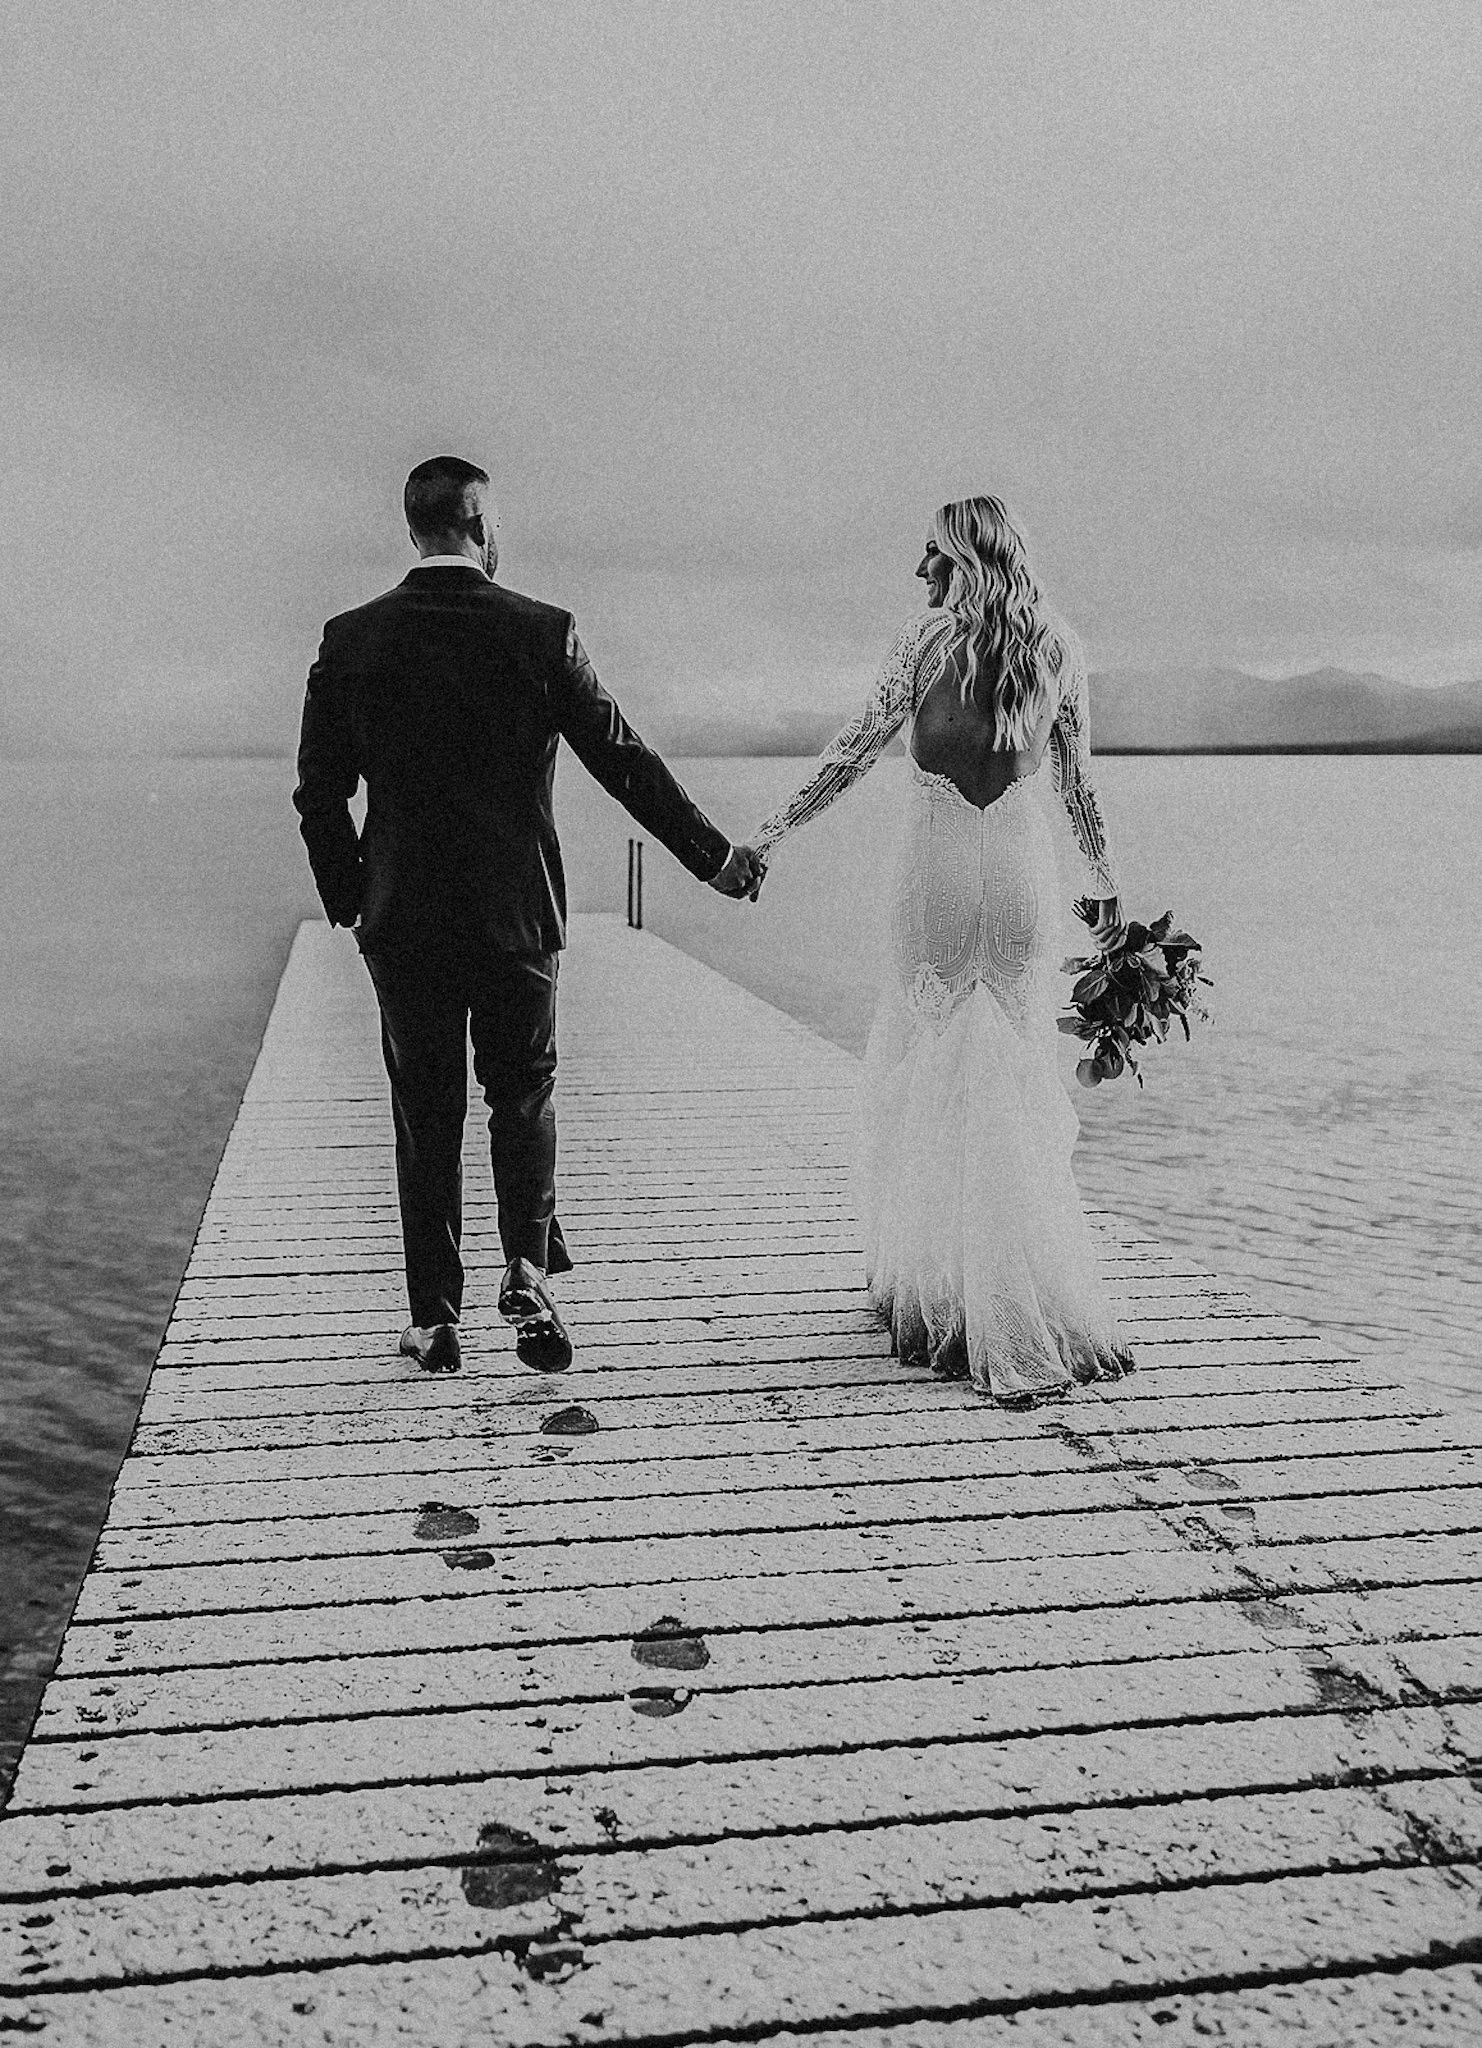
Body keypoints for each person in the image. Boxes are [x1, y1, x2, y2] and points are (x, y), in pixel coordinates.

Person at [294, 455, 762, 1376]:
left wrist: (353, 898)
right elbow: (624, 762)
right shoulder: (543, 632)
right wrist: (713, 858)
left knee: (425, 1112)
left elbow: (318, 796)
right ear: (477, 521)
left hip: (406, 918)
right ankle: (524, 1264)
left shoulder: (351, 640)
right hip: (517, 914)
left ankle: (434, 1321)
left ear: (412, 529)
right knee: (523, 1092)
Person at [749, 494, 1134, 1405]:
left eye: (931, 555)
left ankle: (946, 1295)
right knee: (1009, 1069)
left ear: (965, 557)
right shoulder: (1058, 647)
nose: (920, 572)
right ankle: (1028, 1287)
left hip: (938, 880)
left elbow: (851, 754)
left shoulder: (921, 646)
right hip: (1019, 882)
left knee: (927, 1071)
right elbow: (1078, 787)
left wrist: (768, 834)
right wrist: (1107, 889)